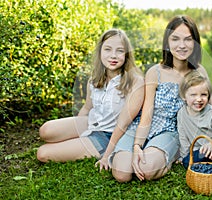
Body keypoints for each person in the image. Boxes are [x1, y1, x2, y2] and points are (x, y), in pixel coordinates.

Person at [108, 15, 212, 182]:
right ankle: (144, 151)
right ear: (167, 42)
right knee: (122, 173)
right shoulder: (155, 72)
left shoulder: (199, 72)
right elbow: (147, 113)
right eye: (175, 39)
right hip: (143, 126)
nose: (181, 45)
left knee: (147, 170)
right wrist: (137, 146)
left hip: (170, 131)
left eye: (188, 39)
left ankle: (170, 156)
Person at [36, 29, 144, 164]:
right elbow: (87, 108)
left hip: (110, 135)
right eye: (108, 49)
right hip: (92, 123)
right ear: (100, 52)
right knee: (46, 131)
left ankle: (97, 148)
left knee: (43, 153)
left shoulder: (135, 82)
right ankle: (83, 141)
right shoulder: (95, 79)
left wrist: (106, 157)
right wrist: (77, 133)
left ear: (127, 54)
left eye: (120, 51)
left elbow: (123, 124)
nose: (113, 56)